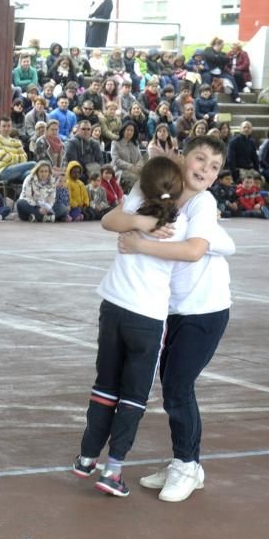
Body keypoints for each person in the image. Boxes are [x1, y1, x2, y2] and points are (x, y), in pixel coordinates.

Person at [113, 137, 232, 502]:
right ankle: (185, 461)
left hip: (206, 308)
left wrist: (140, 242)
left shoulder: (204, 202)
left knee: (178, 387)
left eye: (215, 166)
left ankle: (187, 465)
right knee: (173, 386)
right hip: (172, 308)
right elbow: (114, 218)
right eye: (200, 159)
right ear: (183, 157)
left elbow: (196, 250)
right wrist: (140, 222)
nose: (206, 170)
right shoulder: (160, 185)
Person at [73, 156, 189, 497]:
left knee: (105, 384)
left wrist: (138, 224)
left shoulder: (136, 204)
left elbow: (109, 219)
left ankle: (87, 456)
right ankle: (113, 470)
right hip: (148, 315)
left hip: (114, 305)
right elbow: (196, 251)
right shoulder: (180, 223)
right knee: (134, 396)